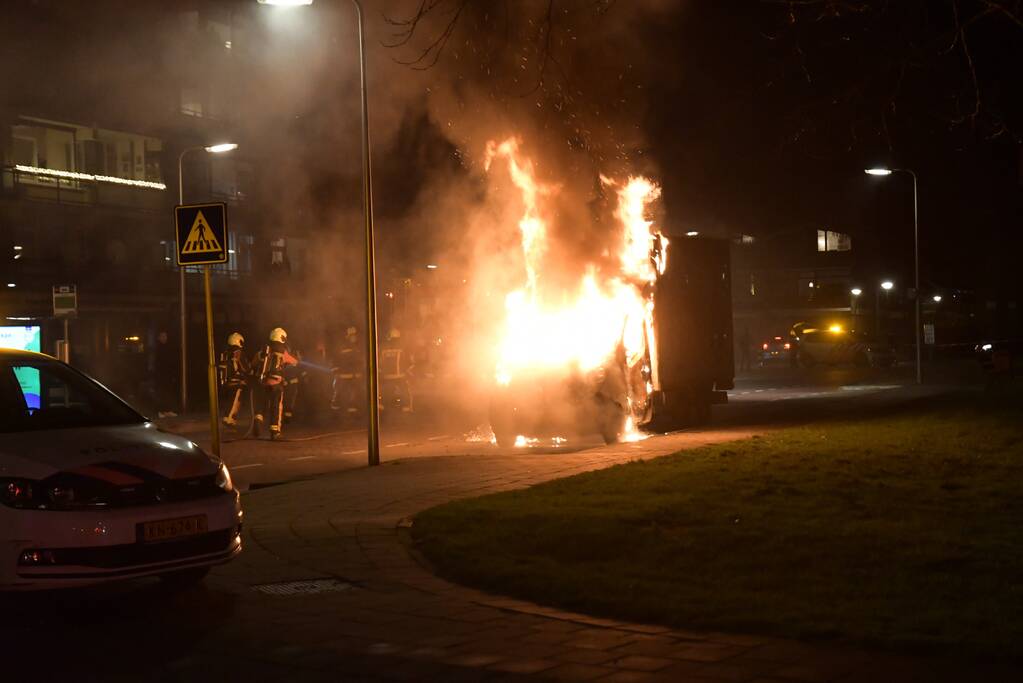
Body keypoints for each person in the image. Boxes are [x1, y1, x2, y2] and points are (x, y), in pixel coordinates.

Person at [254, 327, 298, 440]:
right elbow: (295, 362)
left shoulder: (265, 350)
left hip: (264, 382)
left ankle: (258, 420)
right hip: (277, 383)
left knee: (263, 404)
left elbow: (255, 361)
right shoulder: (283, 351)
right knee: (276, 406)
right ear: (282, 338)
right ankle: (275, 431)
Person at [218, 332, 251, 427]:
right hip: (237, 381)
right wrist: (250, 372)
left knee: (230, 400)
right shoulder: (238, 353)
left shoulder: (225, 353)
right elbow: (245, 368)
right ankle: (229, 419)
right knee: (236, 400)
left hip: (226, 382)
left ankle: (228, 418)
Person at [151, 330, 178, 418]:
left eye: (165, 336)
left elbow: (171, 362)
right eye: (162, 336)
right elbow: (157, 363)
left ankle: (167, 410)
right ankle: (161, 411)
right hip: (161, 375)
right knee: (161, 393)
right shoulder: (158, 348)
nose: (164, 338)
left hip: (167, 374)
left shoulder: (168, 347)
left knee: (168, 392)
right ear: (159, 338)